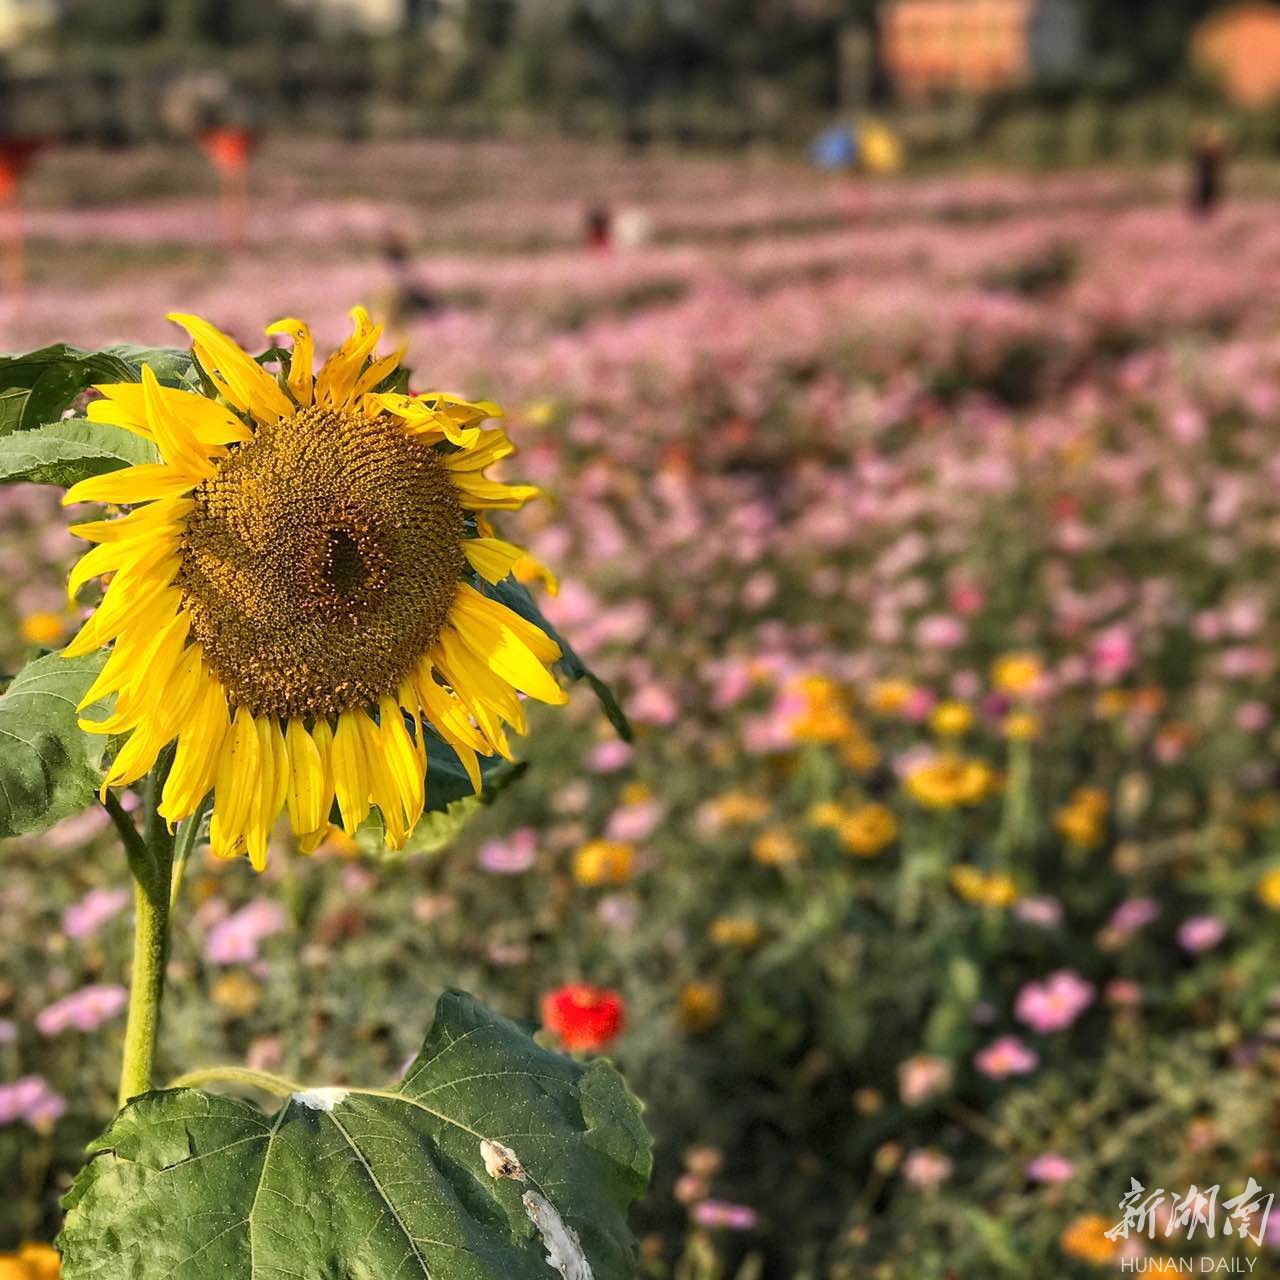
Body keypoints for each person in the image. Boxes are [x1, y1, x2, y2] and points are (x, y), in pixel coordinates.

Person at [1189, 122, 1227, 219]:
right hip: (1204, 176)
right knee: (1203, 193)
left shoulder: (1211, 150)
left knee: (1209, 194)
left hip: (1209, 176)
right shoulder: (1204, 149)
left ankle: (1205, 213)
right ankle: (1202, 212)